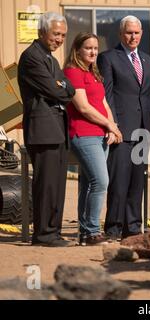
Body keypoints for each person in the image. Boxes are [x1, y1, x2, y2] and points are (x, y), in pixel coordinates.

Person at [97, 15, 150, 241]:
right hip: (121, 130)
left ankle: (133, 229)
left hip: (143, 130)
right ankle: (114, 229)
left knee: (138, 182)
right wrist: (112, 125)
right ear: (120, 34)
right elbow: (107, 94)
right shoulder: (108, 58)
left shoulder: (149, 61)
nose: (133, 36)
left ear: (141, 33)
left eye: (136, 32)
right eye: (129, 32)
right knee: (119, 182)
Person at [18, 12, 75, 247]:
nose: (60, 39)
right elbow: (57, 91)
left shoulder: (50, 59)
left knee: (58, 186)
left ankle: (53, 231)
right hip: (43, 131)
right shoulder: (32, 57)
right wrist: (60, 86)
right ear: (42, 32)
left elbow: (67, 88)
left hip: (57, 130)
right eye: (56, 34)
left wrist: (61, 86)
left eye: (63, 35)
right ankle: (43, 235)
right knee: (46, 185)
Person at [64, 32, 123, 246]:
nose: (93, 52)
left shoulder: (94, 73)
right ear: (77, 49)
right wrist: (108, 124)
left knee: (89, 184)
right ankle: (91, 231)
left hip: (100, 135)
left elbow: (104, 104)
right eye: (88, 48)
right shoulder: (72, 72)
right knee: (101, 181)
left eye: (95, 48)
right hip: (83, 133)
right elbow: (83, 107)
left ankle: (85, 232)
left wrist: (112, 126)